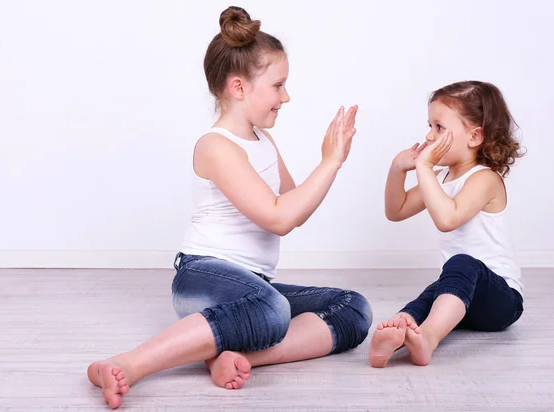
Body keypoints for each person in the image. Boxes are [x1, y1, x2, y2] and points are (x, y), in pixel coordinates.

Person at [87, 6, 372, 408]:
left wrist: (330, 164)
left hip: (254, 288)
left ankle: (237, 357)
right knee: (273, 310)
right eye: (278, 85)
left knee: (352, 308)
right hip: (203, 276)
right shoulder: (216, 146)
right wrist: (331, 162)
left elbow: (294, 211)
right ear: (239, 88)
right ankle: (125, 364)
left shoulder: (264, 142)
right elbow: (278, 216)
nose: (286, 96)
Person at [369, 80, 525, 368]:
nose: (429, 136)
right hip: (463, 301)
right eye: (429, 126)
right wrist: (397, 170)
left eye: (439, 127)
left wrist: (424, 168)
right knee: (435, 291)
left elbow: (447, 219)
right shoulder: (441, 178)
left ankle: (427, 337)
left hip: (502, 301)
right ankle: (403, 328)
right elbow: (397, 210)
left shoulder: (484, 179)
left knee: (461, 264)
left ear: (475, 136)